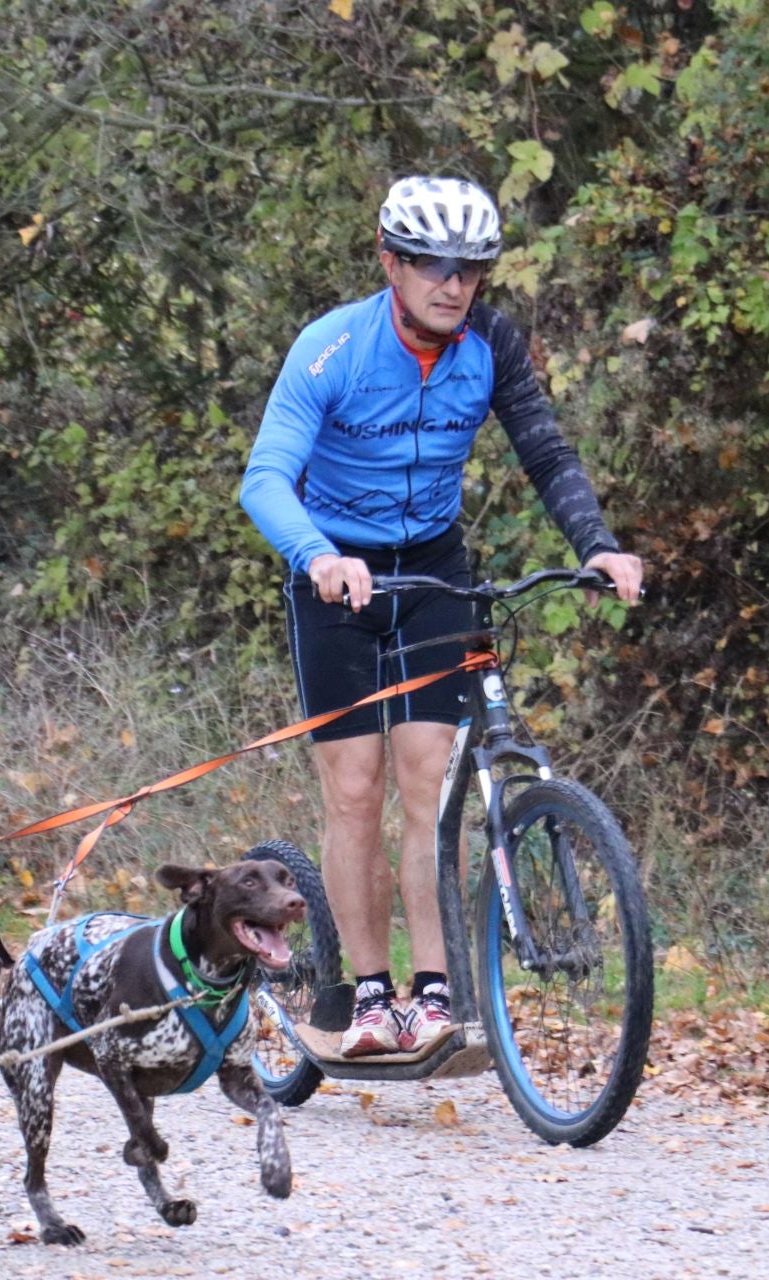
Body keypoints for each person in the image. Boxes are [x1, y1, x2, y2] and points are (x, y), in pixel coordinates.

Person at [238, 175, 643, 1057]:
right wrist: (318, 556)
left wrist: (599, 544)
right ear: (391, 262)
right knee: (354, 793)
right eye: (432, 265)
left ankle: (432, 995)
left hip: (430, 570)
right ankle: (370, 996)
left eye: (471, 269)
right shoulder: (332, 348)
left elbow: (542, 445)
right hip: (336, 577)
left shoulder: (490, 343)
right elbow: (264, 477)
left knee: (429, 788)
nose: (453, 285)